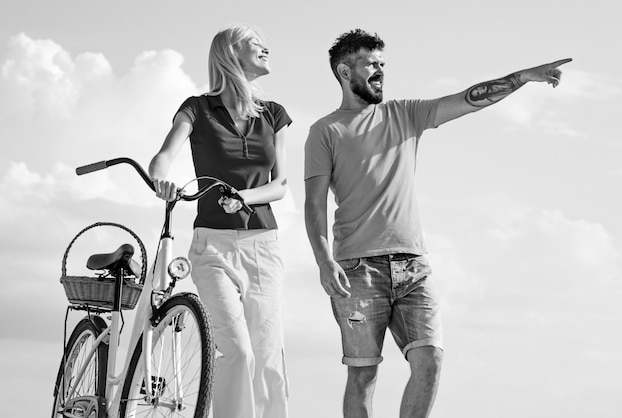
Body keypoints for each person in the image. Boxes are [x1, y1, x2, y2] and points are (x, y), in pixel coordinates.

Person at [304, 28, 570, 418]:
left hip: (414, 266)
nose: (380, 70)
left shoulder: (405, 113)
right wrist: (324, 261)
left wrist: (521, 77)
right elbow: (314, 205)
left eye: (383, 63)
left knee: (430, 361)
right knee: (363, 375)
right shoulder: (324, 131)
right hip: (358, 270)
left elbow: (469, 99)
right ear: (345, 71)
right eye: (370, 63)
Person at [149, 24, 291, 418]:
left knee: (268, 356)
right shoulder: (197, 107)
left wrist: (244, 196)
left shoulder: (274, 115)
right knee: (237, 349)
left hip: (264, 245)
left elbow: (279, 185)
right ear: (230, 52)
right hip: (211, 247)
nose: (266, 48)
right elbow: (164, 154)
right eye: (255, 44)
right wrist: (160, 175)